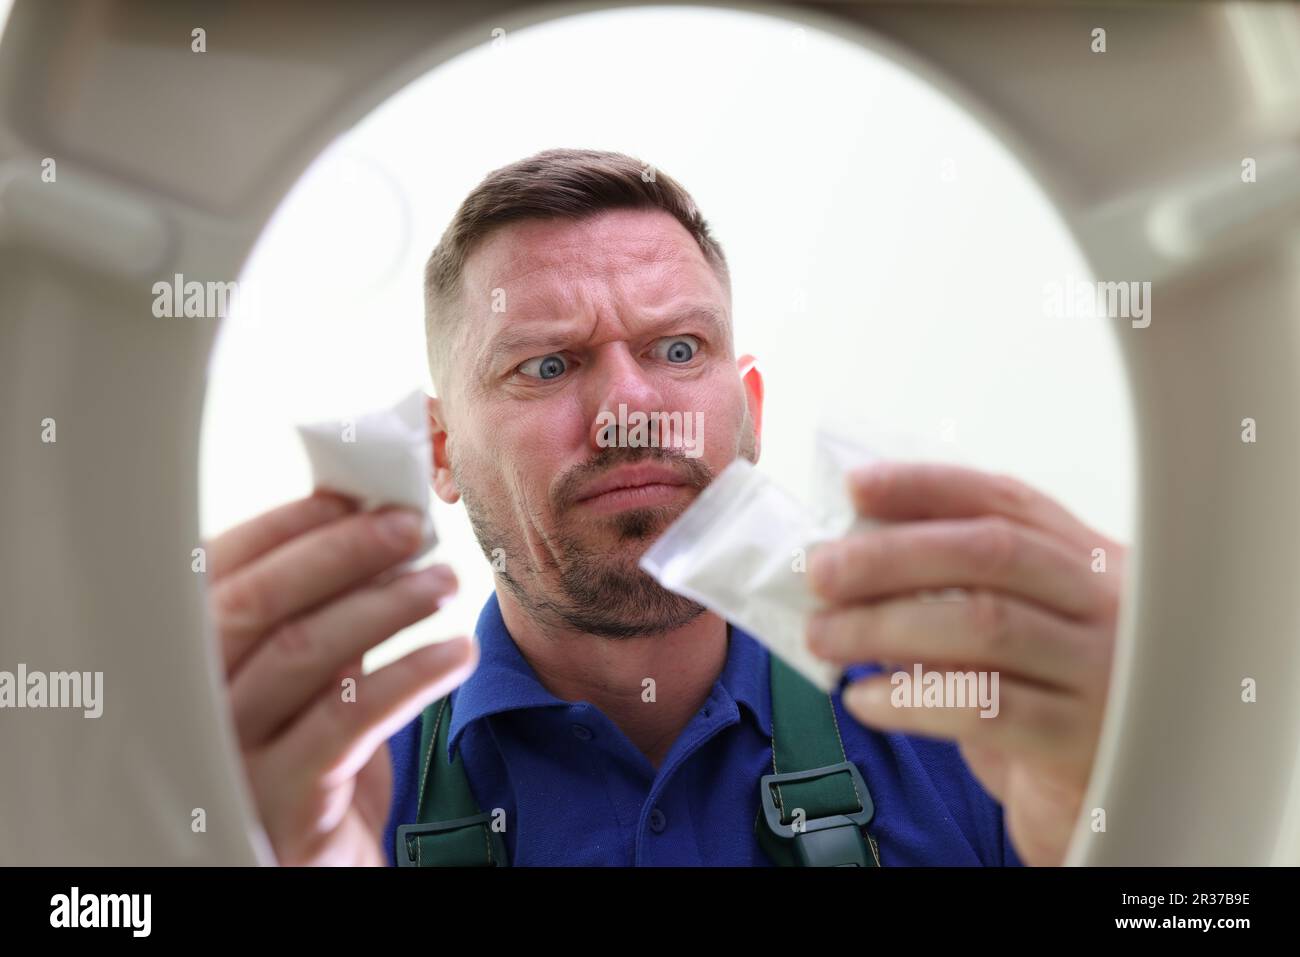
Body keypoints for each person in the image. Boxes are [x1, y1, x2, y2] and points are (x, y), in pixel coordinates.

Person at [206, 148, 1123, 867]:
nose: (628, 410)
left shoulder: (976, 734)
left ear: (749, 412)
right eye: (548, 365)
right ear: (442, 451)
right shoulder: (325, 795)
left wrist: (1142, 801)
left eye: (679, 350)